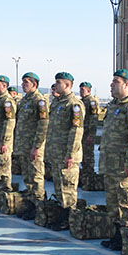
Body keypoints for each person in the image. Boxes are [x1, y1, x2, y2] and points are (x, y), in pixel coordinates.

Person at [99, 69, 128, 250]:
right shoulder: (113, 106)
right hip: (110, 164)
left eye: (115, 82)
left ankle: (127, 238)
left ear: (126, 84)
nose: (111, 85)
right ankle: (116, 235)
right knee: (112, 202)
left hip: (123, 166)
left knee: (126, 202)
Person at [46, 72, 85, 230]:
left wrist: (70, 153)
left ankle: (69, 219)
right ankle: (62, 215)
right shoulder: (57, 103)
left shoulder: (74, 105)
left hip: (67, 155)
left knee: (68, 188)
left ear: (68, 85)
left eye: (58, 82)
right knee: (59, 187)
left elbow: (76, 131)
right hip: (56, 154)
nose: (55, 85)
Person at [14, 72, 49, 219]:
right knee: (27, 177)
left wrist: (37, 146)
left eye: (26, 82)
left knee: (36, 177)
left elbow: (43, 125)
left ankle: (39, 208)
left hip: (33, 146)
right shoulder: (24, 101)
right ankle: (30, 204)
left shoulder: (39, 101)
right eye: (23, 82)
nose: (23, 85)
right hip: (23, 145)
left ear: (34, 84)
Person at [79, 81, 99, 187]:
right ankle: (84, 177)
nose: (81, 91)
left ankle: (90, 178)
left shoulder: (92, 102)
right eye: (80, 89)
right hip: (82, 132)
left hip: (87, 133)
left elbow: (94, 118)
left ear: (88, 90)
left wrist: (91, 134)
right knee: (82, 156)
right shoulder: (81, 102)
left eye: (83, 90)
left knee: (88, 156)